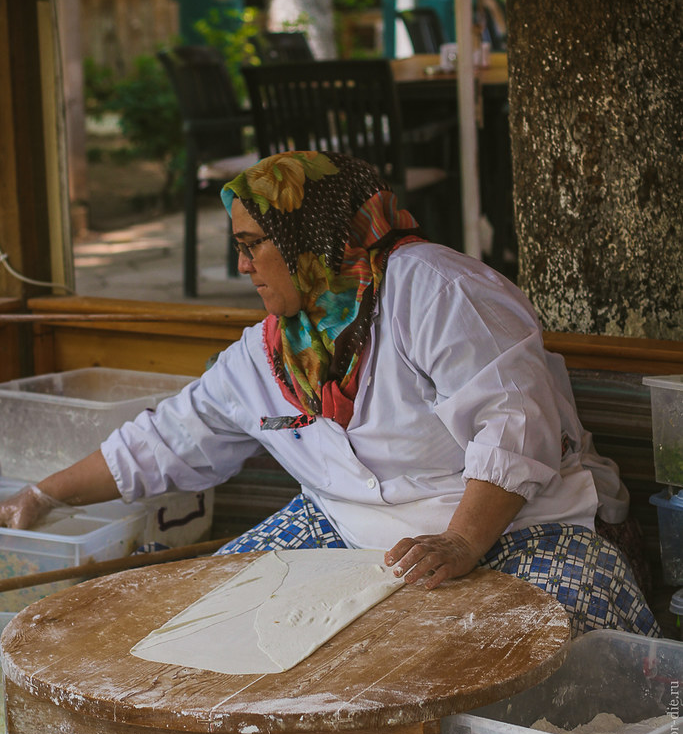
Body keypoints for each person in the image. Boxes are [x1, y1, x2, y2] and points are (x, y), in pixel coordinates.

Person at [0, 151, 659, 638]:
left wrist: (458, 544)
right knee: (205, 627)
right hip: (346, 530)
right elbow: (167, 440)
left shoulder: (431, 287)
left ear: (309, 237)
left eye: (253, 245)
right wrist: (43, 495)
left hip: (518, 525)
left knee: (535, 657)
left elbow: (516, 422)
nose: (242, 267)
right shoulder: (266, 352)